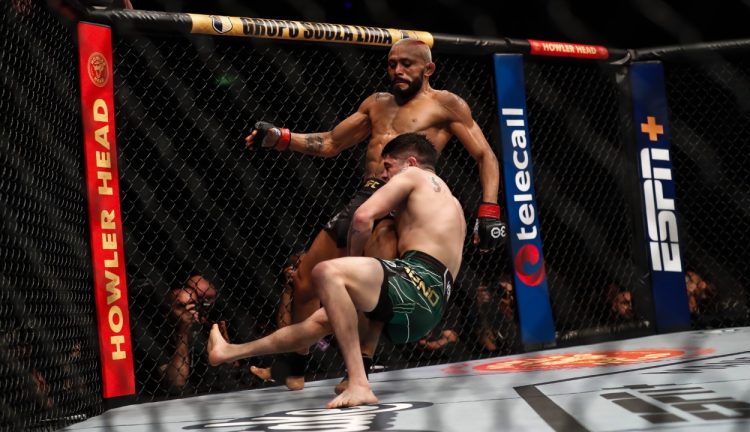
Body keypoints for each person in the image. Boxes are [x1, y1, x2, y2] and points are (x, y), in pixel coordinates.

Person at [245, 37, 505, 389]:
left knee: (375, 287)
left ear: (428, 69)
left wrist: (489, 210)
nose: (396, 71)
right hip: (365, 197)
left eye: (406, 64)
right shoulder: (376, 103)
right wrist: (283, 138)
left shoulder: (446, 104)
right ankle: (292, 367)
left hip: (403, 203)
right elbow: (332, 142)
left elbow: (485, 155)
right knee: (305, 278)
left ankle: (360, 371)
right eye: (391, 64)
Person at [209, 133, 466, 408]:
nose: (384, 175)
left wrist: (352, 262)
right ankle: (229, 352)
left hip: (415, 283)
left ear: (411, 162)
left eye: (389, 166)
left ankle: (359, 384)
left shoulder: (413, 176)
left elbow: (362, 216)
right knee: (319, 322)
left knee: (328, 272)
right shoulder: (453, 205)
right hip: (429, 305)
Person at [159, 274, 236, 388]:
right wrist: (183, 332)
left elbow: (232, 366)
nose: (190, 310)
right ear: (168, 312)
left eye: (193, 304)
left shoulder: (206, 327)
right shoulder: (161, 334)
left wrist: (223, 335)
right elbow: (177, 382)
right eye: (181, 306)